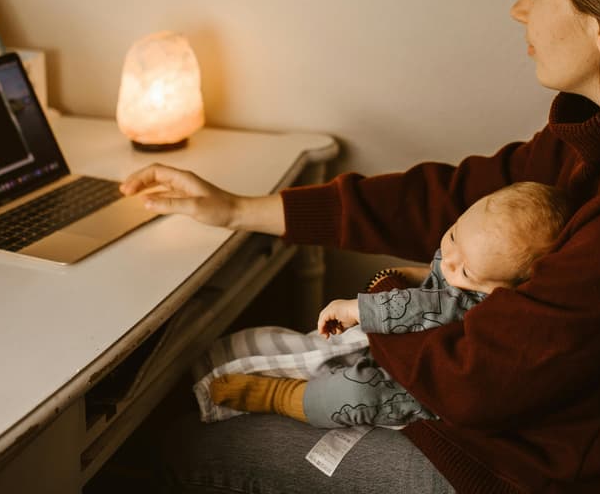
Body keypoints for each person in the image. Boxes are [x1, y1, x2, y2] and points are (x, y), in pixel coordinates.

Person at [121, 0, 600, 493]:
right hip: (518, 432)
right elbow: (450, 197)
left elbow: (474, 382)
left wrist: (389, 300)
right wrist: (242, 209)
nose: (515, 10)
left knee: (182, 444)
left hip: (528, 472)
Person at [208, 181, 571, 429]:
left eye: (466, 269)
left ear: (503, 289)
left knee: (355, 394)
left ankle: (279, 396)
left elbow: (428, 305)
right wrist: (409, 273)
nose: (448, 261)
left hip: (415, 389)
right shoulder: (464, 258)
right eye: (453, 235)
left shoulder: (483, 305)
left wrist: (357, 308)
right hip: (394, 349)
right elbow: (432, 277)